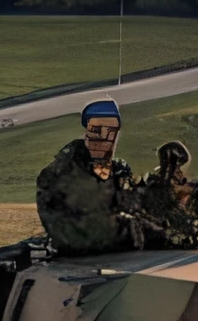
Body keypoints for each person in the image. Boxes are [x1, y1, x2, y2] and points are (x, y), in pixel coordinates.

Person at [36, 100, 145, 254]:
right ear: (87, 132)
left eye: (111, 131)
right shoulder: (60, 172)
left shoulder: (120, 171)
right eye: (97, 130)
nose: (105, 139)